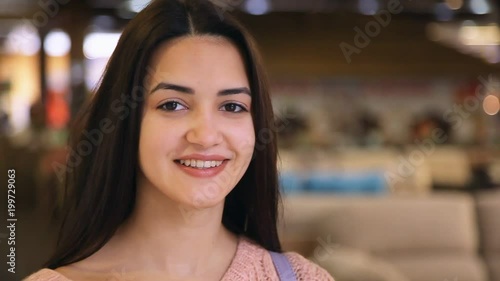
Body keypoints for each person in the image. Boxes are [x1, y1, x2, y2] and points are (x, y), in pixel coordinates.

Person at [25, 0, 334, 280]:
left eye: (232, 106)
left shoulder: (302, 277)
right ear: (124, 122)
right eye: (172, 104)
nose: (205, 136)